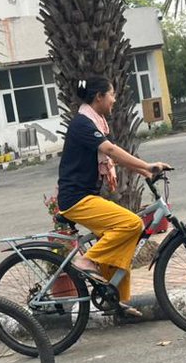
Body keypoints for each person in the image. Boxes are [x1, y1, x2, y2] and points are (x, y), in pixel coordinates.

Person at [56, 77, 170, 317]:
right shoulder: (82, 125)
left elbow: (113, 156)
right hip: (77, 200)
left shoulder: (94, 123)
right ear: (99, 97)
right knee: (131, 224)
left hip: (85, 196)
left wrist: (145, 172)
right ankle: (86, 261)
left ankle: (116, 301)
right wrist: (148, 166)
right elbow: (109, 150)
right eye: (112, 94)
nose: (115, 99)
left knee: (122, 240)